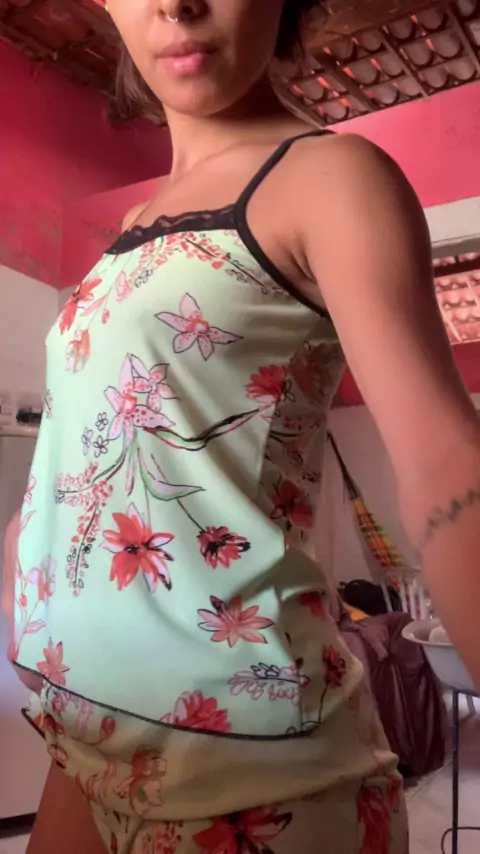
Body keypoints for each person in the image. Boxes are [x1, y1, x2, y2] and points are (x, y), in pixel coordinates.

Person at [4, 1, 480, 852]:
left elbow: (448, 468)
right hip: (89, 732)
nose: (176, 3)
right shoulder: (130, 230)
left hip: (252, 769)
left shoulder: (327, 178)